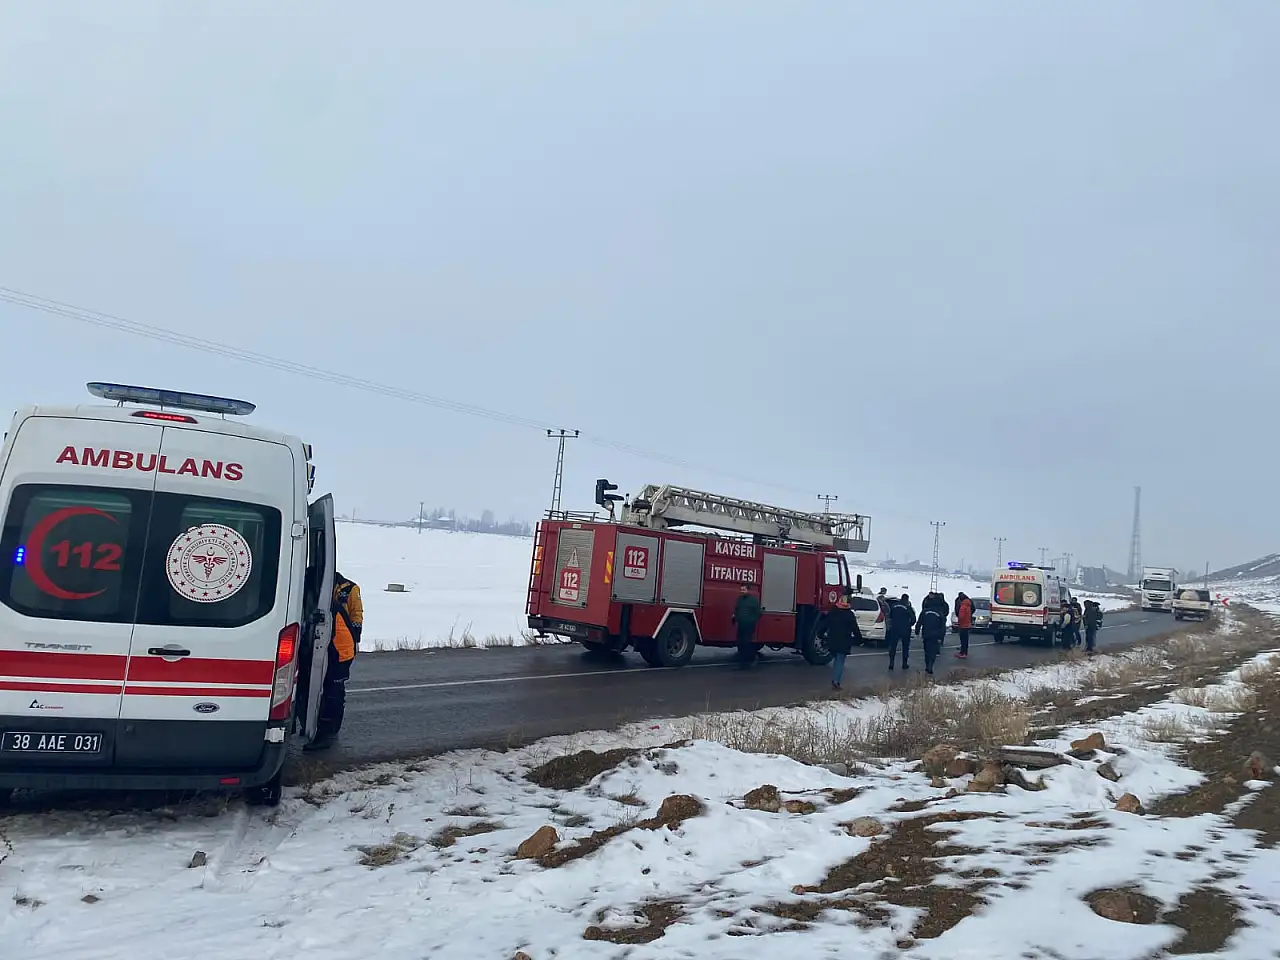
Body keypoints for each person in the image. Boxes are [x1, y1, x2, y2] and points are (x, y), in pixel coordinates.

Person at [307, 571, 363, 751]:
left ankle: (329, 730)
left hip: (341, 647)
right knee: (320, 687)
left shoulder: (349, 588)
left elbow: (357, 615)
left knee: (333, 690)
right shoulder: (318, 593)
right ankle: (315, 724)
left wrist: (356, 637)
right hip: (327, 644)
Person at [820, 593, 863, 690]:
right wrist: (859, 639)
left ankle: (835, 680)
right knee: (840, 661)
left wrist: (820, 634)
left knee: (833, 657)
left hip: (832, 639)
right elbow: (855, 629)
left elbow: (824, 624)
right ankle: (836, 682)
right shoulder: (850, 614)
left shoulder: (833, 611)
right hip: (844, 641)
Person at [732, 583, 762, 669]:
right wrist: (735, 617)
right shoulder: (740, 599)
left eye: (744, 590)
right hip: (741, 625)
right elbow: (737, 609)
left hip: (749, 625)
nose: (742, 591)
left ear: (748, 590)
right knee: (740, 642)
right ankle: (742, 660)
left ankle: (750, 659)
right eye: (741, 589)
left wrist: (751, 620)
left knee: (746, 643)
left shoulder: (753, 600)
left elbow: (758, 613)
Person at [915, 597, 947, 675]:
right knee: (933, 651)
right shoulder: (940, 613)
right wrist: (941, 637)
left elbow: (919, 622)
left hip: (926, 634)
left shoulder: (925, 611)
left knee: (926, 650)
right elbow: (943, 626)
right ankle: (930, 665)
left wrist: (917, 631)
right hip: (935, 635)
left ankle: (927, 665)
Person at [887, 592, 916, 671]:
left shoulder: (894, 606)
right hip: (905, 630)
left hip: (895, 629)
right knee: (905, 647)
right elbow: (913, 619)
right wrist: (909, 624)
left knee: (893, 647)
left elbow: (890, 616)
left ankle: (891, 663)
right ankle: (904, 664)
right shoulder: (908, 607)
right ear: (907, 600)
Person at [954, 591, 974, 659]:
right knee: (965, 640)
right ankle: (964, 652)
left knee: (963, 640)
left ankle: (963, 653)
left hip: (963, 625)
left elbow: (961, 616)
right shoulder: (968, 604)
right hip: (967, 624)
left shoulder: (963, 606)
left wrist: (959, 621)